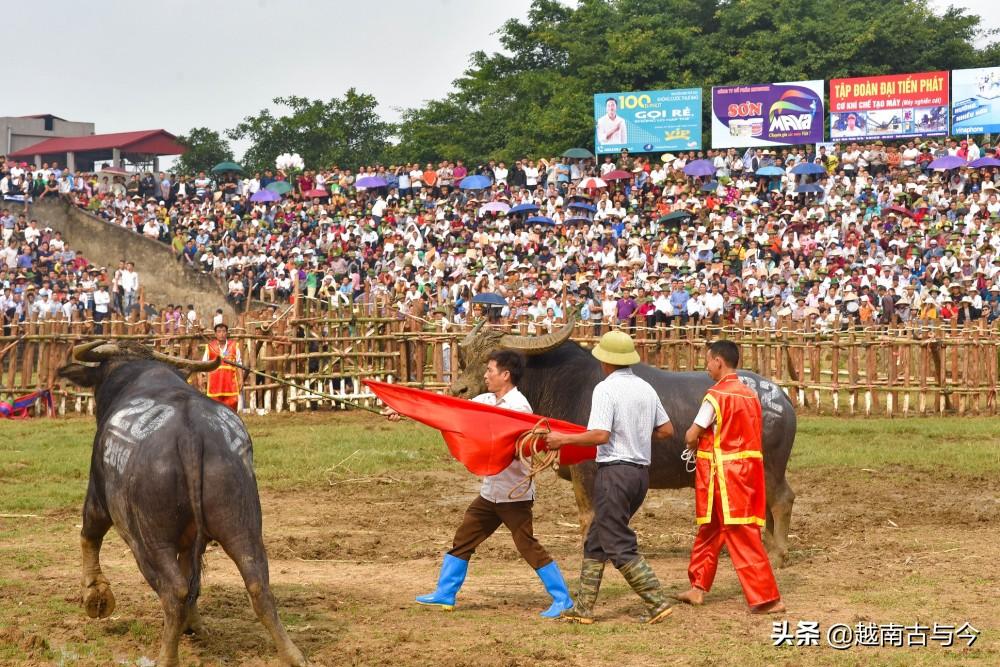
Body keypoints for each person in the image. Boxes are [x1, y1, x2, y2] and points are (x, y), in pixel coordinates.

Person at [385, 350, 573, 618]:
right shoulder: (485, 400)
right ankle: (445, 593)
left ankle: (562, 599)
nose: (485, 375)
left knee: (527, 545)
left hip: (513, 493)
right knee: (463, 539)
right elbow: (447, 412)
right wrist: (403, 411)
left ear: (505, 375)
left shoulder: (519, 408)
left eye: (490, 371)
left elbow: (502, 442)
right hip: (490, 492)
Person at [544, 330, 674, 625]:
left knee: (616, 542)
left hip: (614, 473)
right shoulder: (646, 387)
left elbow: (601, 434)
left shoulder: (604, 389)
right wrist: (638, 434)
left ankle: (657, 601)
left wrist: (564, 440)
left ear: (604, 362)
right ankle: (584, 608)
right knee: (596, 540)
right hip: (640, 475)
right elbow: (667, 430)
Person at [674, 340, 785, 614]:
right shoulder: (750, 395)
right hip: (743, 473)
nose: (706, 366)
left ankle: (767, 598)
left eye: (708, 360)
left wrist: (692, 441)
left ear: (719, 361)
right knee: (710, 529)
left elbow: (692, 433)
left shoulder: (715, 396)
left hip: (723, 476)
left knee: (741, 534)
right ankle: (697, 588)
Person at [202, 323, 242, 412]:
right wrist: (205, 379)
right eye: (219, 331)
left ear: (227, 333)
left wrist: (241, 379)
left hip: (230, 384)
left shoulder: (234, 346)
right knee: (214, 410)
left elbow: (239, 364)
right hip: (214, 385)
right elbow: (204, 365)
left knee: (231, 409)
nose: (221, 334)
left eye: (224, 331)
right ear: (215, 334)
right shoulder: (210, 347)